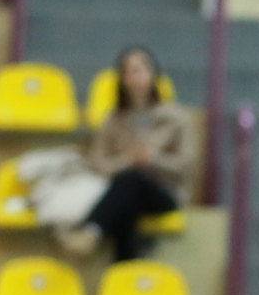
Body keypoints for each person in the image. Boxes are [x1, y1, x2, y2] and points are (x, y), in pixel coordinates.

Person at [59, 45, 198, 265]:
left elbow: (187, 164)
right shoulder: (114, 120)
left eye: (140, 70)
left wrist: (152, 160)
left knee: (132, 181)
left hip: (164, 191)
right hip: (125, 189)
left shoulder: (177, 118)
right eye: (129, 72)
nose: (135, 77)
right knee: (128, 197)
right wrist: (128, 160)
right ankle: (125, 266)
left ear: (153, 74)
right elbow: (98, 162)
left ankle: (91, 231)